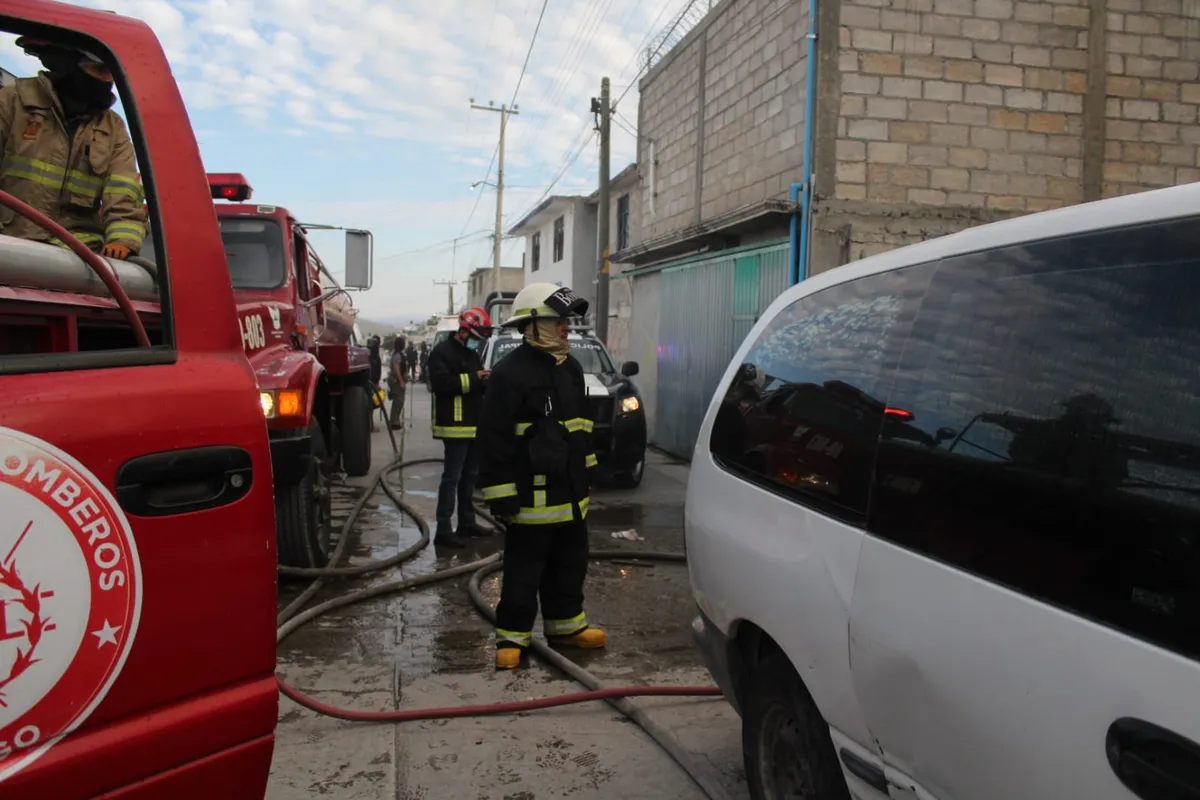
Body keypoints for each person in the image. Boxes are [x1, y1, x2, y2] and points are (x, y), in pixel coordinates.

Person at [477, 283, 606, 670]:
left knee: (570, 563)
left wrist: (589, 473)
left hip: (570, 495)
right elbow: (494, 439)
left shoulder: (571, 368)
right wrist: (500, 495)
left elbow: (581, 427)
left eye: (567, 321)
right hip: (530, 500)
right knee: (523, 569)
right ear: (533, 326)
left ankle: (566, 627)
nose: (566, 328)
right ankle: (512, 636)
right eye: (558, 321)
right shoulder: (508, 374)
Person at [0, 37, 146, 258]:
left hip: (75, 261)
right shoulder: (11, 102)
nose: (107, 80)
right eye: (99, 69)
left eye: (112, 73)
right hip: (8, 246)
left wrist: (123, 240)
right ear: (65, 65)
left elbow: (123, 194)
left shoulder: (112, 127)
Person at [427, 307, 493, 548]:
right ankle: (443, 530)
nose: (477, 343)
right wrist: (476, 378)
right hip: (454, 426)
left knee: (470, 477)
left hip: (474, 424)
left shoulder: (471, 354)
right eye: (476, 338)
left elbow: (474, 382)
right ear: (464, 331)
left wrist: (486, 380)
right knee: (452, 478)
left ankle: (467, 523)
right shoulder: (441, 353)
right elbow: (442, 384)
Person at [388, 337, 407, 430]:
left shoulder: (399, 354)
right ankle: (394, 422)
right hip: (396, 380)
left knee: (399, 401)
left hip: (397, 379)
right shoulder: (397, 355)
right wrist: (401, 381)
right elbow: (396, 367)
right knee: (398, 401)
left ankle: (395, 420)